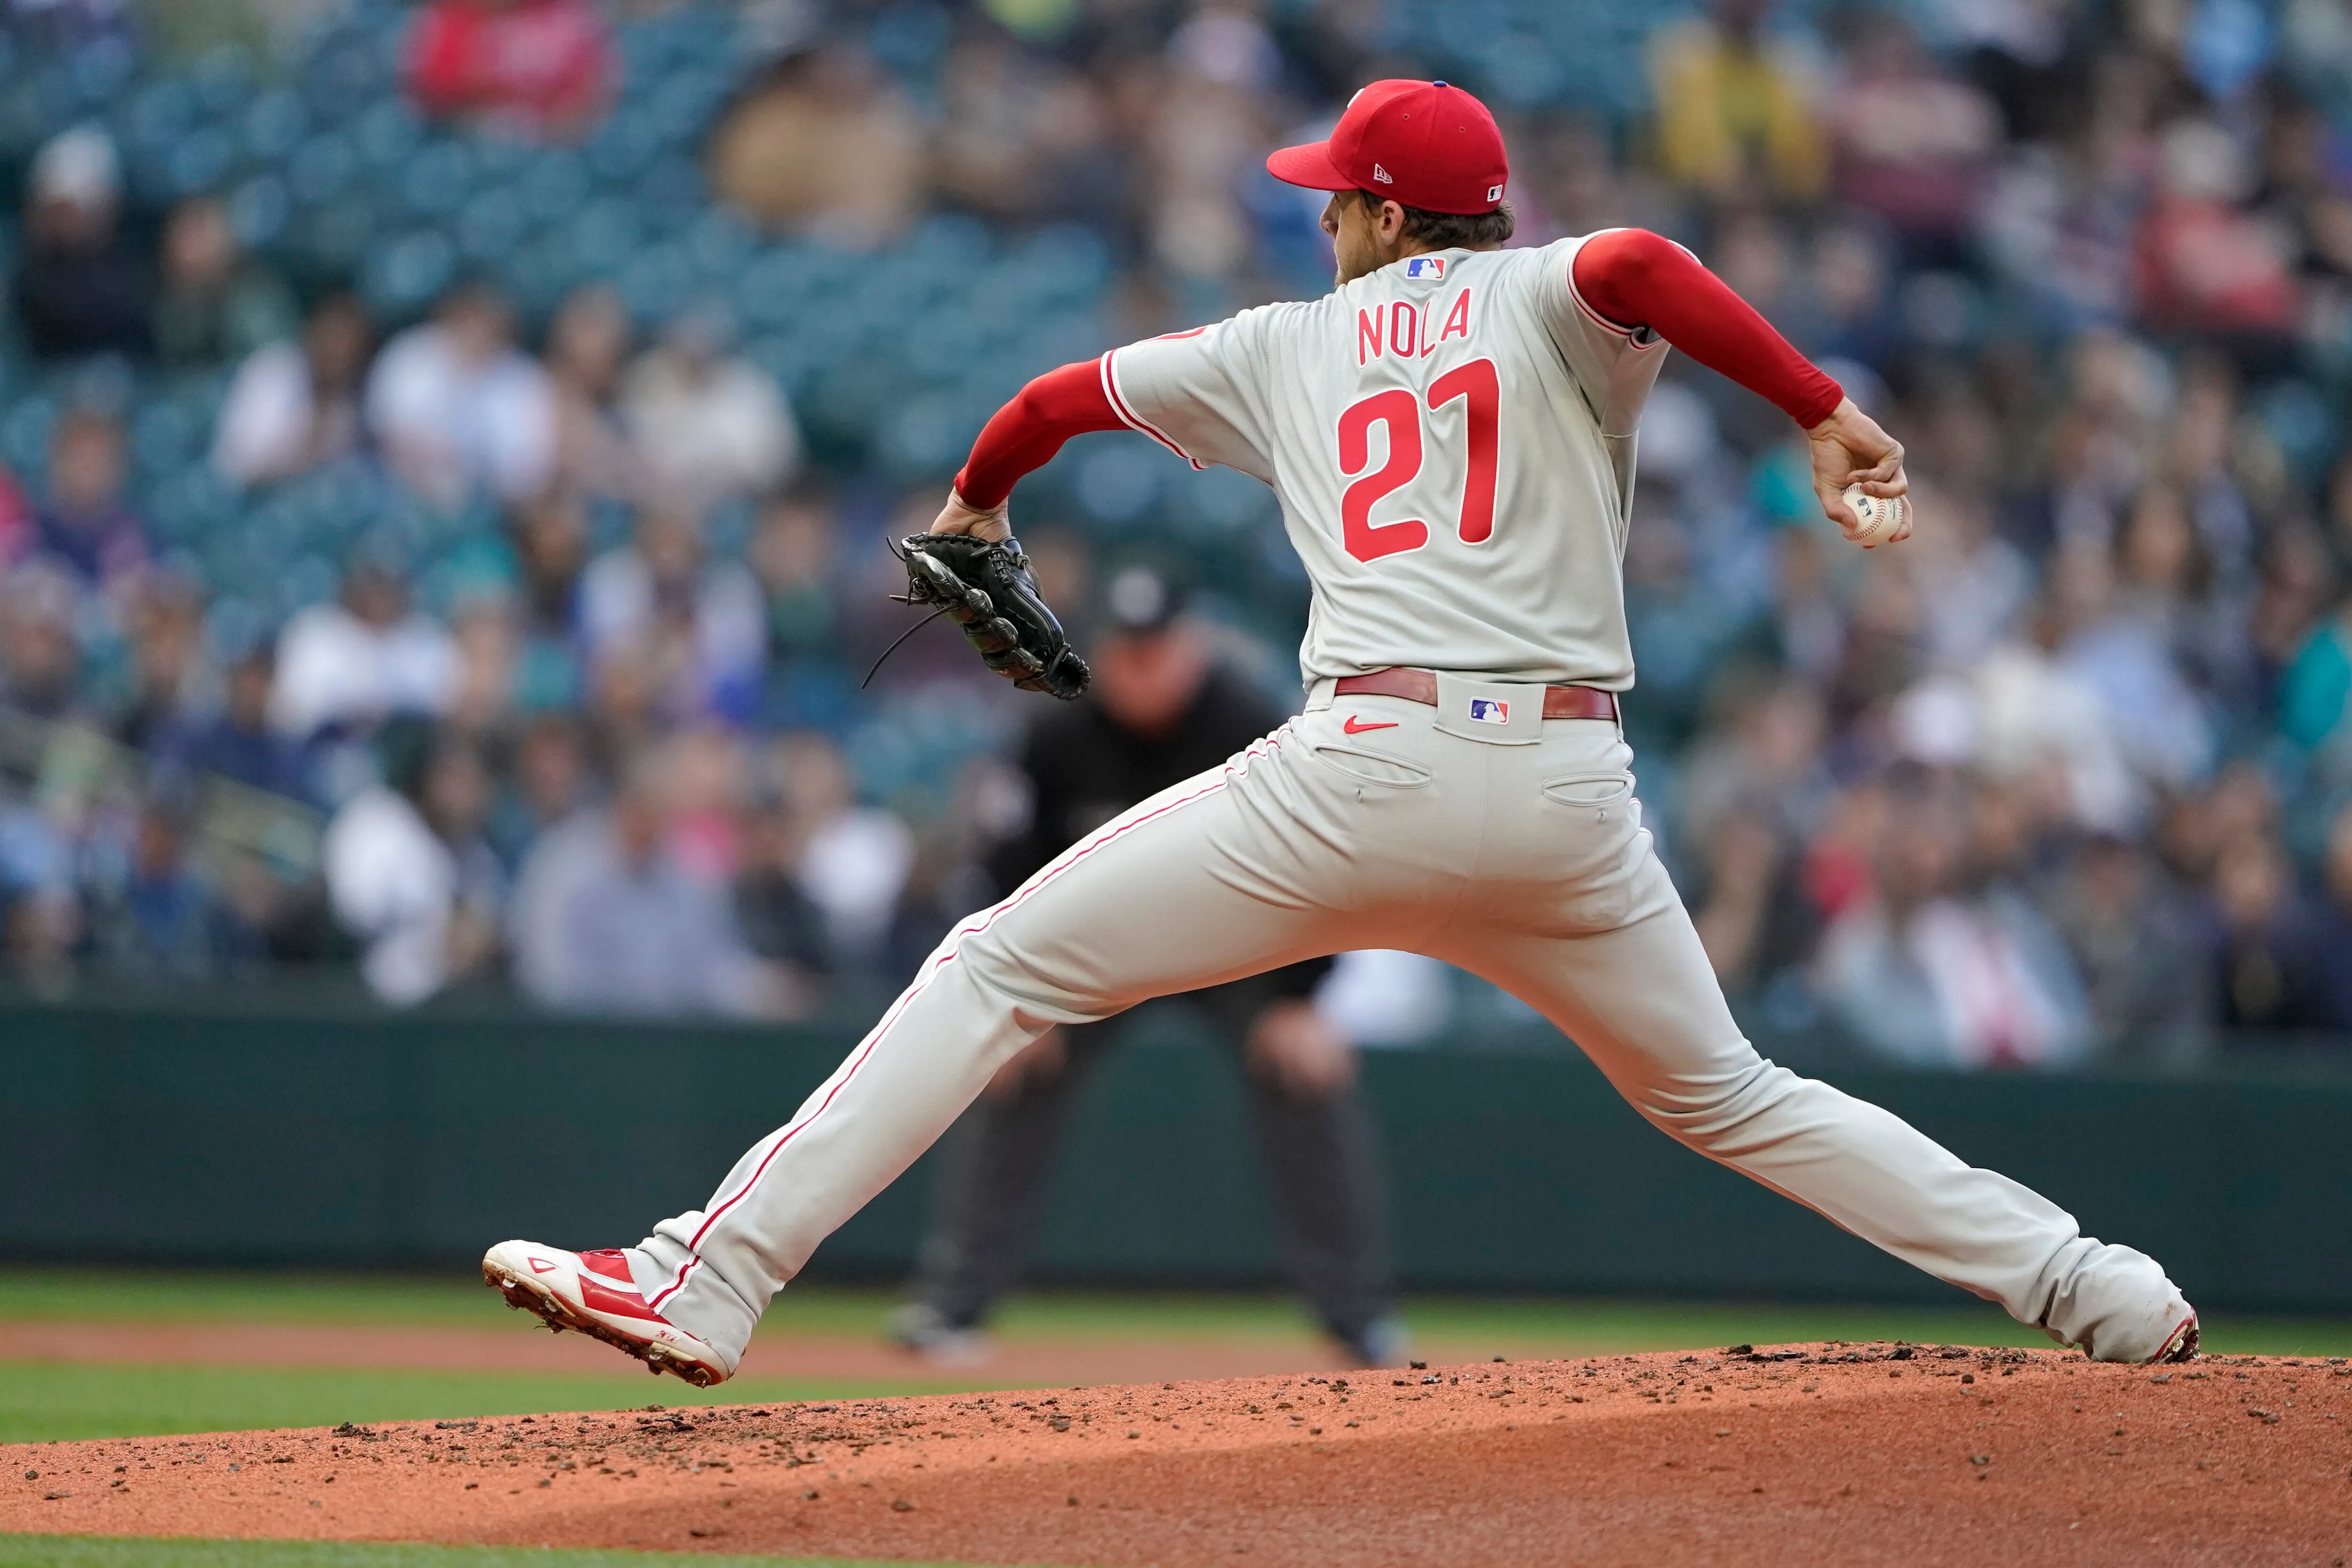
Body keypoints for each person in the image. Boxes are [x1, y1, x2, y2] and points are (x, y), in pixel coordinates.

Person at [485, 80, 2199, 1384]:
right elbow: (1644, 263)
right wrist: (1820, 409)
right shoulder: (1550, 296)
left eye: (1338, 201)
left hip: (1361, 774)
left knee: (1001, 964)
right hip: (1565, 795)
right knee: (1736, 1091)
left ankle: (706, 1273)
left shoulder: (1281, 347)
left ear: (1388, 217)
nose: (1321, 221)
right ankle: (2090, 1279)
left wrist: (979, 507)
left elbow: (1049, 401)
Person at [892, 567, 1404, 1367]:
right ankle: (951, 1304)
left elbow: (1323, 862)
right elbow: (1005, 869)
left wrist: (1301, 997)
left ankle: (1360, 1317)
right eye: (1126, 651)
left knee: (1308, 1077)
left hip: (1237, 944)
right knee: (1011, 1064)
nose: (1142, 667)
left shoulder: (1248, 719)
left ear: (1194, 646)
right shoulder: (1057, 727)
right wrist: (1017, 1005)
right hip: (1098, 943)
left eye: (1158, 648)